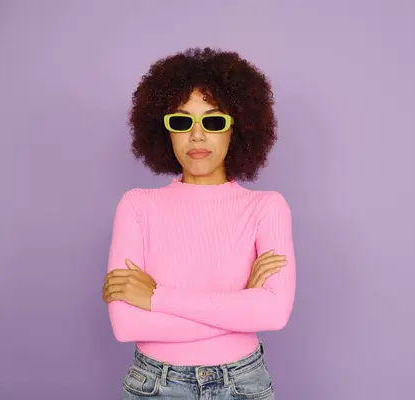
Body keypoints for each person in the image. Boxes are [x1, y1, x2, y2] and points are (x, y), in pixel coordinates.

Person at [101, 47, 296, 400]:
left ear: (236, 129)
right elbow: (127, 324)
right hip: (154, 385)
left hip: (243, 385)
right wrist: (240, 305)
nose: (196, 135)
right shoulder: (136, 205)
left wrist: (155, 297)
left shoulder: (267, 208)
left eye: (213, 121)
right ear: (165, 132)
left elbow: (273, 314)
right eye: (181, 121)